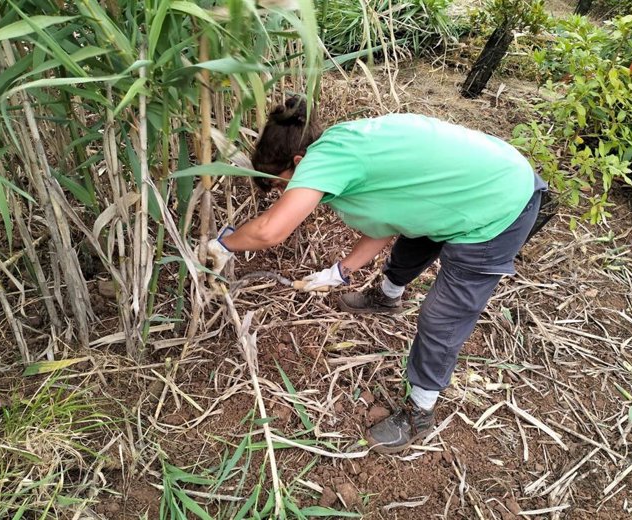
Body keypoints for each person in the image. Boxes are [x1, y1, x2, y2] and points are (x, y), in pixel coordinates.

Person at [208, 96, 548, 454]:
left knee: (443, 316)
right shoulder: (340, 145)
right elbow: (390, 215)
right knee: (412, 240)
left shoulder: (324, 161)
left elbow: (269, 231)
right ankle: (387, 297)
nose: (283, 194)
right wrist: (340, 271)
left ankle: (420, 411)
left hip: (499, 204)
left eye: (280, 186)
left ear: (298, 162)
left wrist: (222, 245)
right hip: (478, 178)